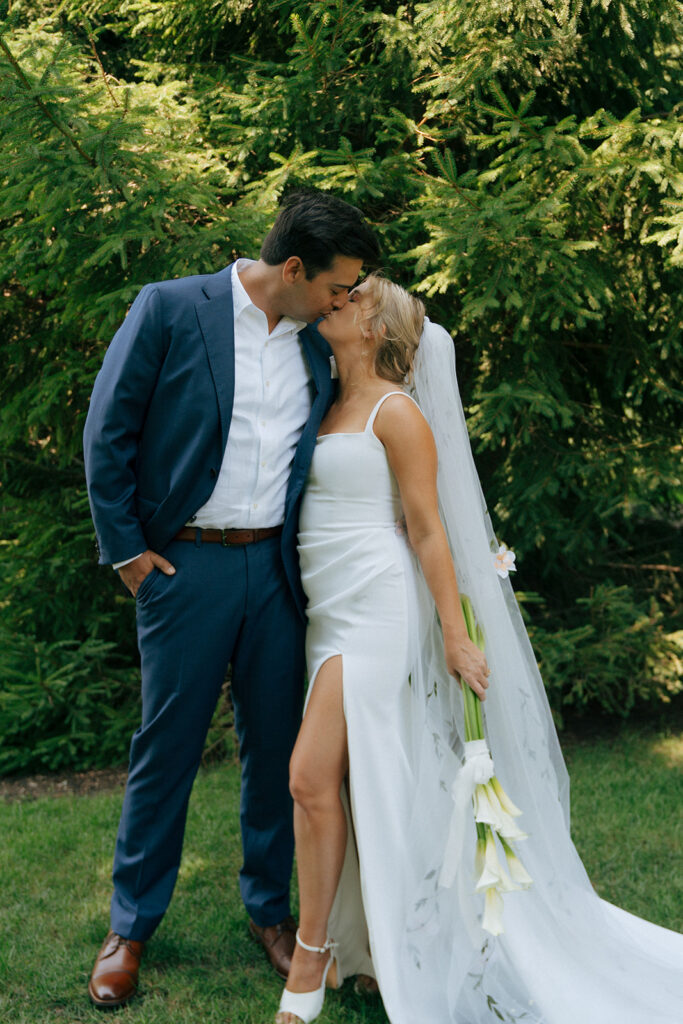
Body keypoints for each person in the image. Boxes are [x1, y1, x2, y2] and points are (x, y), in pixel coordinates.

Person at [274, 274, 683, 1024]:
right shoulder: (327, 404)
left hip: (376, 607)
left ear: (378, 331)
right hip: (326, 611)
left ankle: (310, 956)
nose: (338, 303)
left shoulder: (398, 414)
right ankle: (369, 947)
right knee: (366, 784)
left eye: (356, 301)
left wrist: (456, 637)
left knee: (307, 777)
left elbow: (428, 531)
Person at [82, 189, 380, 1009]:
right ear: (292, 269)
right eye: (336, 286)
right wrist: (129, 555)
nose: (344, 301)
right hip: (185, 569)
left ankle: (269, 911)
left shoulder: (319, 342)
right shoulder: (171, 309)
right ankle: (130, 926)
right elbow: (107, 432)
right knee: (166, 747)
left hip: (277, 573)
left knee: (278, 754)